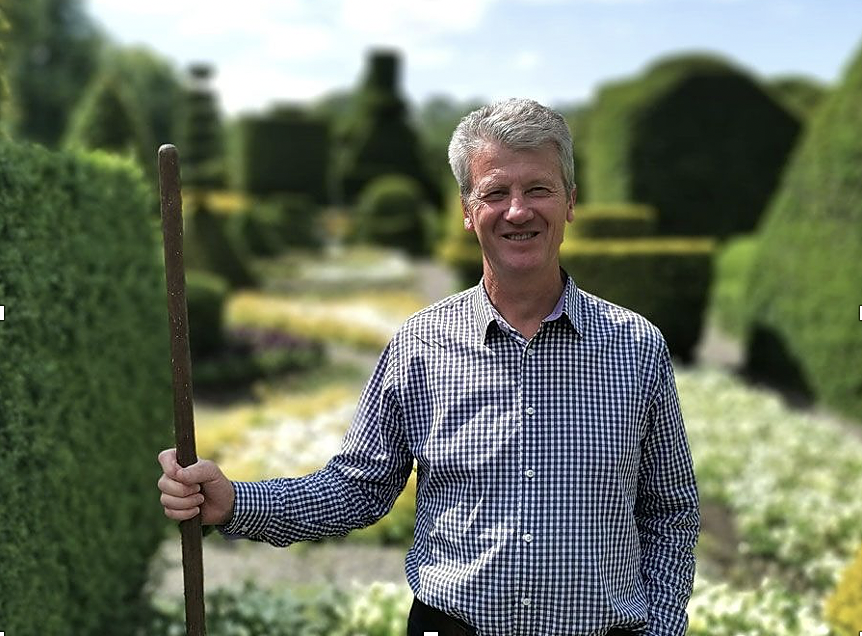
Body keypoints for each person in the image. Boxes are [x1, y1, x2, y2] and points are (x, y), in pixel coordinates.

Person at [158, 97, 700, 636]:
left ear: (570, 202)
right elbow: (357, 488)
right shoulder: (421, 345)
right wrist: (236, 503)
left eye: (538, 189)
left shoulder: (636, 348)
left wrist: (663, 628)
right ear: (467, 211)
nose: (518, 210)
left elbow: (671, 512)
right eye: (495, 192)